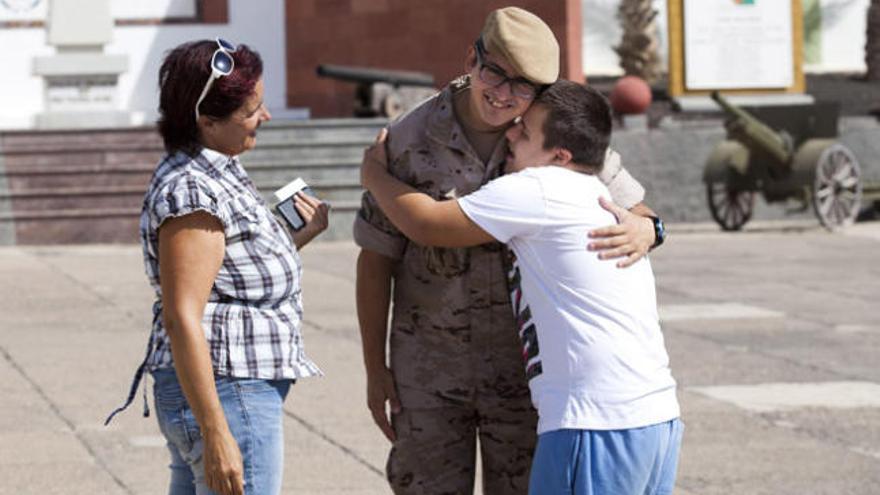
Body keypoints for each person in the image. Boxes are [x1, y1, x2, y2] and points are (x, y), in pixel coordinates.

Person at [353, 6, 666, 494]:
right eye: (494, 72)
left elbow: (635, 207)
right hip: (430, 375)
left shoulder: (553, 135)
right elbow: (375, 259)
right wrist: (375, 367)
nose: (503, 96)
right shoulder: (409, 140)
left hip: (526, 383)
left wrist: (649, 230)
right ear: (471, 59)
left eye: (523, 86)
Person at [105, 38, 327, 495]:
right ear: (206, 121)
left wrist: (297, 239)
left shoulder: (216, 169)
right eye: (252, 110)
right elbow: (182, 314)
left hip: (231, 391)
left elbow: (228, 275)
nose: (264, 117)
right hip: (230, 394)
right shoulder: (193, 194)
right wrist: (217, 432)